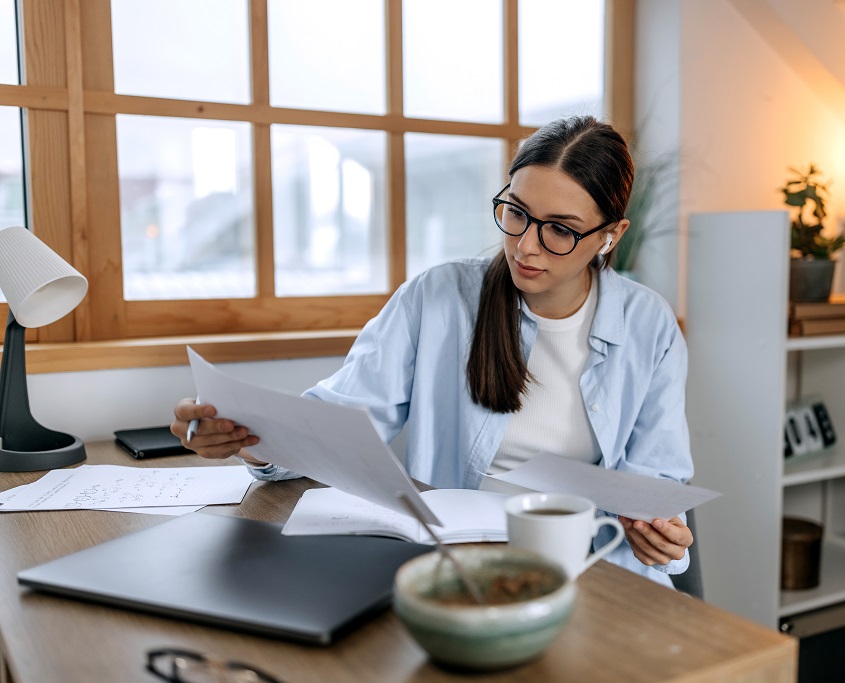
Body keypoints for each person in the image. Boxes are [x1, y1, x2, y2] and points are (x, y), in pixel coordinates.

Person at [172, 115, 694, 587]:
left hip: (592, 569)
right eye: (516, 212)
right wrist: (246, 436)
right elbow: (338, 423)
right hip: (459, 566)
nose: (526, 245)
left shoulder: (648, 324)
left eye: (560, 229)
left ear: (611, 235)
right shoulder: (437, 297)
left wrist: (657, 531)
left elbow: (658, 479)